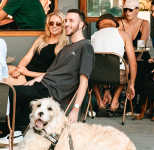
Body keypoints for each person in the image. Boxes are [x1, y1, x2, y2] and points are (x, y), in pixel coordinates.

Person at [0, 9, 94, 143]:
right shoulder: (67, 48)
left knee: (9, 92)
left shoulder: (86, 46)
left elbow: (84, 80)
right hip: (43, 85)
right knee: (10, 90)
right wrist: (32, 82)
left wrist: (76, 108)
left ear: (82, 25)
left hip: (53, 91)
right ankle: (11, 131)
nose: (66, 23)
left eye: (71, 21)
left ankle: (13, 131)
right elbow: (50, 72)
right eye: (66, 20)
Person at [7, 10, 68, 85]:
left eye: (58, 24)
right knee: (5, 69)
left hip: (35, 77)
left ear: (62, 26)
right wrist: (19, 69)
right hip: (26, 70)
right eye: (51, 23)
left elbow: (53, 74)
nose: (54, 26)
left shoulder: (63, 46)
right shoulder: (42, 38)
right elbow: (27, 57)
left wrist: (27, 73)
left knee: (4, 81)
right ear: (48, 25)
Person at [91, 13, 137, 112]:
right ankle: (115, 99)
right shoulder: (123, 34)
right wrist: (131, 84)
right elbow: (133, 62)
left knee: (92, 69)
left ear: (99, 25)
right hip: (117, 75)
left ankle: (100, 101)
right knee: (126, 66)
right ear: (115, 24)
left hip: (96, 76)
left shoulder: (94, 36)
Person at [117, 0, 150, 113]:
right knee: (125, 67)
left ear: (137, 10)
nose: (127, 12)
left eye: (130, 10)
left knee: (140, 67)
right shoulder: (120, 22)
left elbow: (141, 46)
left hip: (140, 56)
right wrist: (129, 60)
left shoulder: (144, 23)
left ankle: (137, 103)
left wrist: (133, 61)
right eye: (125, 9)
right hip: (124, 56)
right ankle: (124, 102)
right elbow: (118, 44)